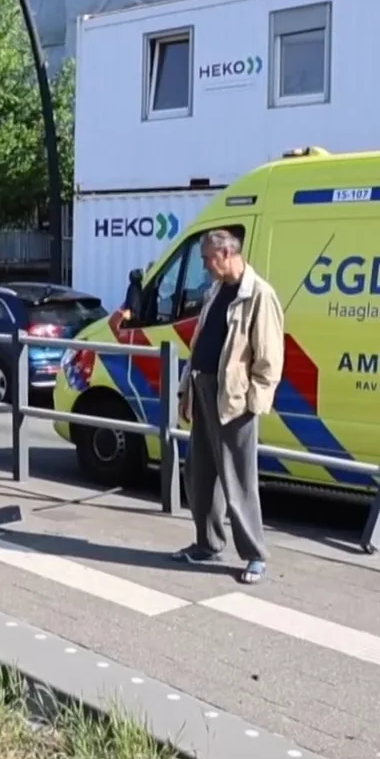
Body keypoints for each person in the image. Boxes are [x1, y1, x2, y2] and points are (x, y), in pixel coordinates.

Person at [170, 229, 285, 585]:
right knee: (199, 474)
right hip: (203, 389)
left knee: (238, 479)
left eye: (207, 258)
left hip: (233, 399)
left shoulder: (259, 295)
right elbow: (201, 342)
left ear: (226, 253)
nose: (205, 266)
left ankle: (254, 554)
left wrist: (253, 403)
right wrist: (188, 390)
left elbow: (269, 359)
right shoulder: (217, 290)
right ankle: (208, 543)